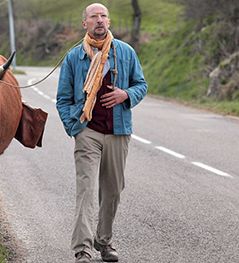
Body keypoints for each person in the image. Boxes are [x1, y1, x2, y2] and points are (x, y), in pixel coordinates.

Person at [56, 3, 147, 263]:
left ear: (109, 21)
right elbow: (62, 98)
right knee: (85, 189)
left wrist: (126, 94)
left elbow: (141, 84)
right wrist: (74, 127)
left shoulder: (126, 53)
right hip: (88, 131)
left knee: (113, 189)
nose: (99, 20)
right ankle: (82, 248)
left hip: (119, 132)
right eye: (94, 16)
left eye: (103, 16)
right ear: (84, 24)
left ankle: (104, 241)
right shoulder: (74, 56)